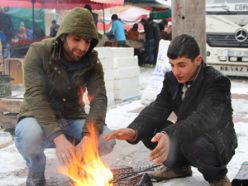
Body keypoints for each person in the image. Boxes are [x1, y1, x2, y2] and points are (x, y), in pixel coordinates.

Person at [105, 34, 237, 186]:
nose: (176, 72)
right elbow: (158, 108)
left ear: (198, 61)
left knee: (191, 140)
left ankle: (218, 178)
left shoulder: (217, 81)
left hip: (216, 142)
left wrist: (170, 134)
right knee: (150, 130)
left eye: (182, 65)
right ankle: (179, 168)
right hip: (187, 133)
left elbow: (203, 119)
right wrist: (134, 130)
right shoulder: (171, 79)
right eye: (172, 65)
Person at [15, 7, 116, 186]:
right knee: (30, 138)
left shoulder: (92, 61)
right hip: (36, 115)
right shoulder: (38, 52)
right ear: (63, 36)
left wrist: (87, 138)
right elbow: (36, 96)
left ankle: (76, 168)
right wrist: (59, 138)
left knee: (106, 140)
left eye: (87, 41)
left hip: (72, 115)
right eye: (76, 39)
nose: (82, 47)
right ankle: (36, 171)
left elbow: (99, 99)